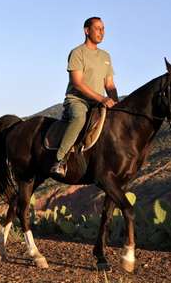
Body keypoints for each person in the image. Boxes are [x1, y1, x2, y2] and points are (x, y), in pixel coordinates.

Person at [50, 17, 120, 177]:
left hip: (98, 103)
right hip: (77, 100)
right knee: (80, 118)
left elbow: (109, 85)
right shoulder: (77, 53)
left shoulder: (106, 57)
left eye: (103, 29)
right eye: (97, 28)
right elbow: (77, 83)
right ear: (86, 31)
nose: (101, 32)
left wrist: (116, 103)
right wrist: (102, 99)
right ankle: (59, 160)